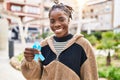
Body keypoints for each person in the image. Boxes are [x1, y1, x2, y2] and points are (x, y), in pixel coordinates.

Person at [21, 2, 98, 80]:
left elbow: (90, 76)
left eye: (61, 19)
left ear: (68, 20)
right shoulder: (43, 46)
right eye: (52, 21)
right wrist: (30, 61)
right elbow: (34, 77)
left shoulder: (83, 45)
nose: (56, 24)